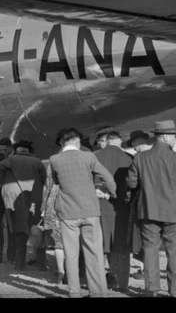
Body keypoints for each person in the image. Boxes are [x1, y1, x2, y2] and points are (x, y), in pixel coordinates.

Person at [127, 120, 176, 297]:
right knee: (174, 253)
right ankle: (175, 293)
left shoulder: (140, 157)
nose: (175, 140)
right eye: (174, 136)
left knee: (150, 251)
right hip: (175, 214)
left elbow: (131, 182)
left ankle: (151, 291)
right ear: (165, 137)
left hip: (148, 211)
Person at [49, 127, 116, 298]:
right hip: (90, 210)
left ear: (62, 143)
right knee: (94, 253)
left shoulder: (54, 159)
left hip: (68, 212)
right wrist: (112, 193)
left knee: (71, 254)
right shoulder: (88, 156)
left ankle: (75, 291)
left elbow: (56, 181)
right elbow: (107, 177)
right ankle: (98, 292)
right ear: (78, 141)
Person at [0, 140, 46, 271]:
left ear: (17, 149)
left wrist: (2, 181)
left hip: (13, 198)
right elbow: (45, 178)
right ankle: (41, 263)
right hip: (34, 198)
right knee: (38, 229)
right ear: (29, 150)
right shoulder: (37, 162)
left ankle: (19, 263)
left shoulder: (12, 160)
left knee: (19, 231)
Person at [94, 130, 133, 292]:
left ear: (107, 141)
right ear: (120, 142)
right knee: (121, 246)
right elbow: (132, 184)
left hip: (99, 204)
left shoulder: (94, 155)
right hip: (121, 207)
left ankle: (98, 284)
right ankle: (122, 283)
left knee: (98, 245)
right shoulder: (129, 158)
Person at [125, 130, 154, 279]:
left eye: (133, 144)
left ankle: (145, 270)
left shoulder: (138, 158)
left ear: (137, 142)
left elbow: (132, 182)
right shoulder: (157, 154)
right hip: (160, 203)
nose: (134, 148)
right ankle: (147, 271)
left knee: (143, 236)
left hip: (142, 202)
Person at [41, 141, 66, 284]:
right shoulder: (77, 162)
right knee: (72, 239)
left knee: (58, 242)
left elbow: (48, 185)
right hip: (72, 202)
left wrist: (44, 208)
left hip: (54, 201)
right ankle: (72, 271)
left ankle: (61, 271)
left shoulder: (53, 163)